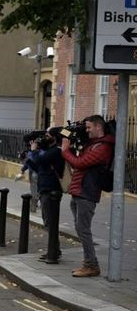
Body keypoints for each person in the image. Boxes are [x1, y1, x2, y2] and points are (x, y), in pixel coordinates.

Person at [62, 115, 115, 277]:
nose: (86, 130)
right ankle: (89, 263)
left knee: (84, 230)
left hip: (87, 193)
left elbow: (80, 163)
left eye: (89, 127)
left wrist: (65, 150)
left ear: (99, 127)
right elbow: (78, 162)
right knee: (80, 229)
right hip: (78, 191)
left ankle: (91, 265)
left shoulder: (103, 147)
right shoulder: (92, 145)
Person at [24, 127, 65, 262]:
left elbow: (40, 161)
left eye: (47, 135)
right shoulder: (50, 151)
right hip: (45, 189)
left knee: (50, 223)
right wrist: (29, 159)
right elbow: (39, 167)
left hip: (51, 190)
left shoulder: (56, 151)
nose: (44, 138)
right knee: (48, 222)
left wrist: (34, 150)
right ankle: (54, 250)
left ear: (54, 137)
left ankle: (53, 253)